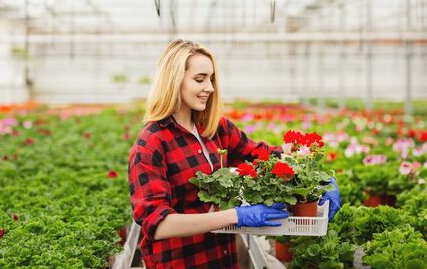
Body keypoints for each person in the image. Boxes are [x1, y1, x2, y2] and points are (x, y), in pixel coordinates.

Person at [128, 39, 341, 268]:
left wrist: (321, 179)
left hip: (223, 259)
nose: (209, 87)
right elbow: (158, 225)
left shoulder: (214, 128)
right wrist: (236, 216)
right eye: (199, 79)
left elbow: (265, 156)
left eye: (211, 79)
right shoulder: (151, 144)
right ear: (173, 81)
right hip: (182, 261)